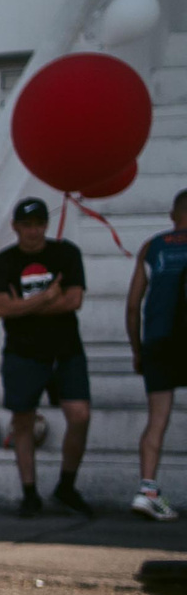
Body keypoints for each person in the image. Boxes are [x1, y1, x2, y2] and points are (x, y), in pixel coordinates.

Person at [0, 197, 92, 519]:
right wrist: (47, 298)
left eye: (39, 225)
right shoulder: (2, 261)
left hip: (65, 350)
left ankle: (66, 484)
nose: (33, 232)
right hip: (23, 351)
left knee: (80, 415)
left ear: (46, 225)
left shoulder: (66, 253)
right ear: (16, 227)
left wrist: (25, 306)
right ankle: (29, 492)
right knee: (22, 421)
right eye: (27, 225)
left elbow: (74, 300)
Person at [125, 188, 187, 521]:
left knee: (157, 420)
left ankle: (147, 491)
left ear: (172, 216)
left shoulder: (152, 247)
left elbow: (134, 306)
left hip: (159, 342)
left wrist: (138, 349)